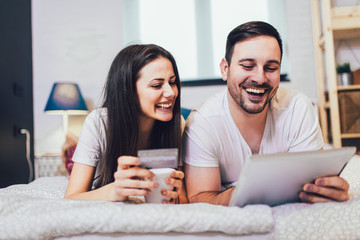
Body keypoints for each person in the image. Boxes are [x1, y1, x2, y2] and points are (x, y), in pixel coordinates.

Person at [182, 21, 350, 206]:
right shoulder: (203, 122)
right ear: (225, 69)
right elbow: (199, 199)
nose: (260, 78)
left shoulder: (297, 107)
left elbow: (312, 184)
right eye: (247, 66)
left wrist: (326, 189)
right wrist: (253, 189)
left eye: (271, 68)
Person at [65, 44, 187, 204]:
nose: (171, 93)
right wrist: (114, 190)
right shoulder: (99, 122)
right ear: (128, 90)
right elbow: (71, 197)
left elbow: (184, 199)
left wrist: (175, 196)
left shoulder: (177, 125)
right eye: (157, 85)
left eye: (172, 82)